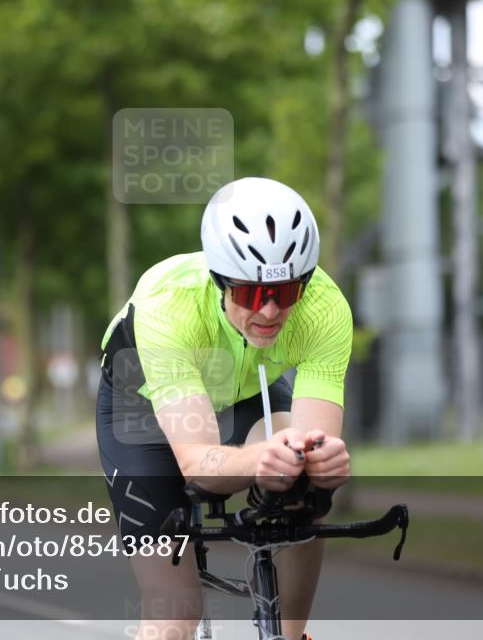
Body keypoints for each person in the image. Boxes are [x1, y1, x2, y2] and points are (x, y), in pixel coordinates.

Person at [96, 177, 353, 640]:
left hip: (244, 391)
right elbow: (199, 466)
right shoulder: (169, 306)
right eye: (251, 294)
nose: (270, 311)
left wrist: (320, 461)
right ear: (219, 280)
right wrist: (260, 460)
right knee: (175, 614)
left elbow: (316, 442)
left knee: (303, 483)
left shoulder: (325, 308)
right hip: (142, 404)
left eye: (287, 292)